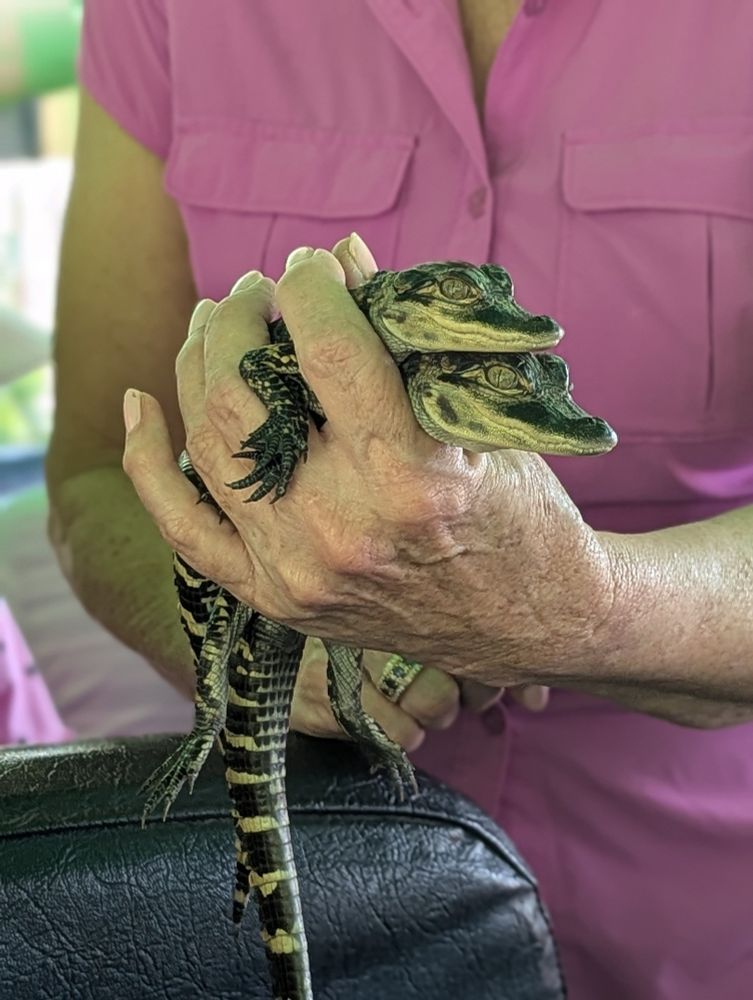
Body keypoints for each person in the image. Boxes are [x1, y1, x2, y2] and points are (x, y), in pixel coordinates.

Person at [48, 2, 753, 998]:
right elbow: (97, 464)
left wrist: (582, 610)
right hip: (323, 877)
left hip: (692, 906)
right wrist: (261, 635)